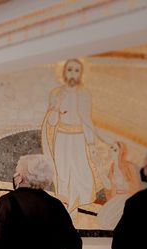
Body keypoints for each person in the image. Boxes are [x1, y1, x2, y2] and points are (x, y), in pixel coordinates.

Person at [42, 59, 103, 214]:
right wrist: (56, 106)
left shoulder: (84, 94)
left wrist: (91, 144)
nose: (73, 74)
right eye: (70, 70)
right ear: (64, 72)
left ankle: (76, 205)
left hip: (79, 138)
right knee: (62, 173)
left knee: (81, 171)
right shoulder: (56, 94)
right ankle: (63, 209)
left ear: (81, 74)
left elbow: (87, 120)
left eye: (76, 70)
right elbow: (52, 121)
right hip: (61, 138)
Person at [97, 141, 141, 230]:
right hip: (117, 197)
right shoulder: (112, 167)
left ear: (121, 152)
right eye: (111, 148)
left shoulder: (129, 166)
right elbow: (109, 186)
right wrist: (100, 171)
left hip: (127, 198)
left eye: (115, 149)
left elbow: (135, 186)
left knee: (109, 220)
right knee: (101, 219)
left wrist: (127, 191)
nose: (112, 151)